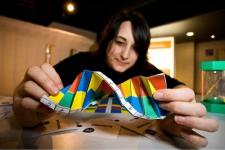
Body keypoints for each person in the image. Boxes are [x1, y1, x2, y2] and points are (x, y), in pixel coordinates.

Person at [13, 10, 218, 148]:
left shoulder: (145, 70)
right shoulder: (81, 62)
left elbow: (176, 87)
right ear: (108, 39)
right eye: (120, 42)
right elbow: (40, 86)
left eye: (136, 48)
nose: (126, 55)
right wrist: (28, 107)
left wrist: (179, 109)